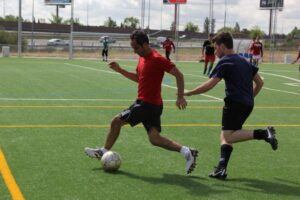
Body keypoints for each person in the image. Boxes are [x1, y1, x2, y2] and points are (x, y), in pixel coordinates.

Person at [85, 30, 198, 174]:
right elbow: (139, 78)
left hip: (147, 105)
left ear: (145, 44)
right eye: (133, 48)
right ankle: (188, 152)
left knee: (116, 122)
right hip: (153, 105)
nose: (134, 51)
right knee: (154, 139)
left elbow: (179, 75)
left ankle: (103, 151)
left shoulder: (158, 59)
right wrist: (121, 70)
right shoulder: (142, 58)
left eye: (136, 48)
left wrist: (180, 96)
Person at [184, 32, 278, 179]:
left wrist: (190, 93)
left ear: (222, 46)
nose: (215, 52)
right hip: (247, 104)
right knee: (225, 134)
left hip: (234, 103)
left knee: (228, 136)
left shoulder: (226, 61)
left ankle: (264, 133)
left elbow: (210, 84)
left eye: (216, 48)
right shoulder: (245, 61)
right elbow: (260, 83)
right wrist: (249, 97)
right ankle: (221, 169)